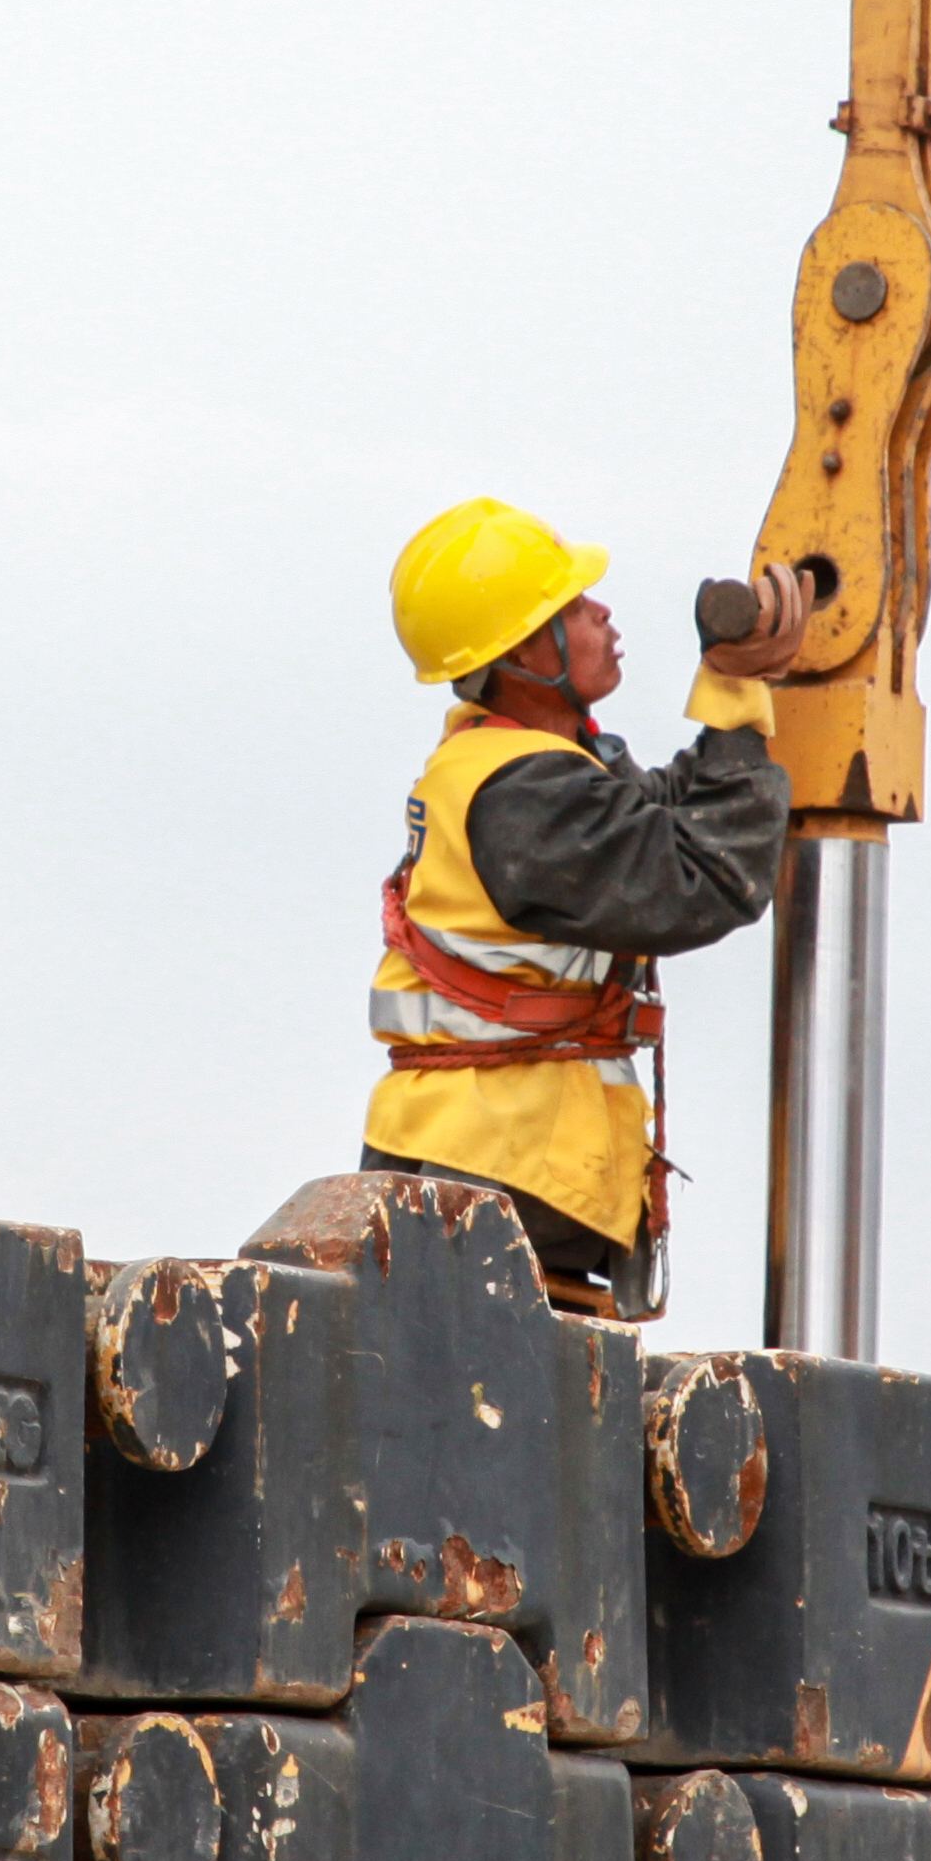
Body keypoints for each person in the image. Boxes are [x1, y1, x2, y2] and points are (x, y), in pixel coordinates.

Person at [362, 498, 806, 1301]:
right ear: (523, 652)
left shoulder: (517, 766)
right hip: (502, 1164)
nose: (600, 611)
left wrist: (731, 689)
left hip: (481, 1162)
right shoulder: (525, 795)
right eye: (570, 607)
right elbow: (704, 877)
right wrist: (740, 708)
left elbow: (659, 815)